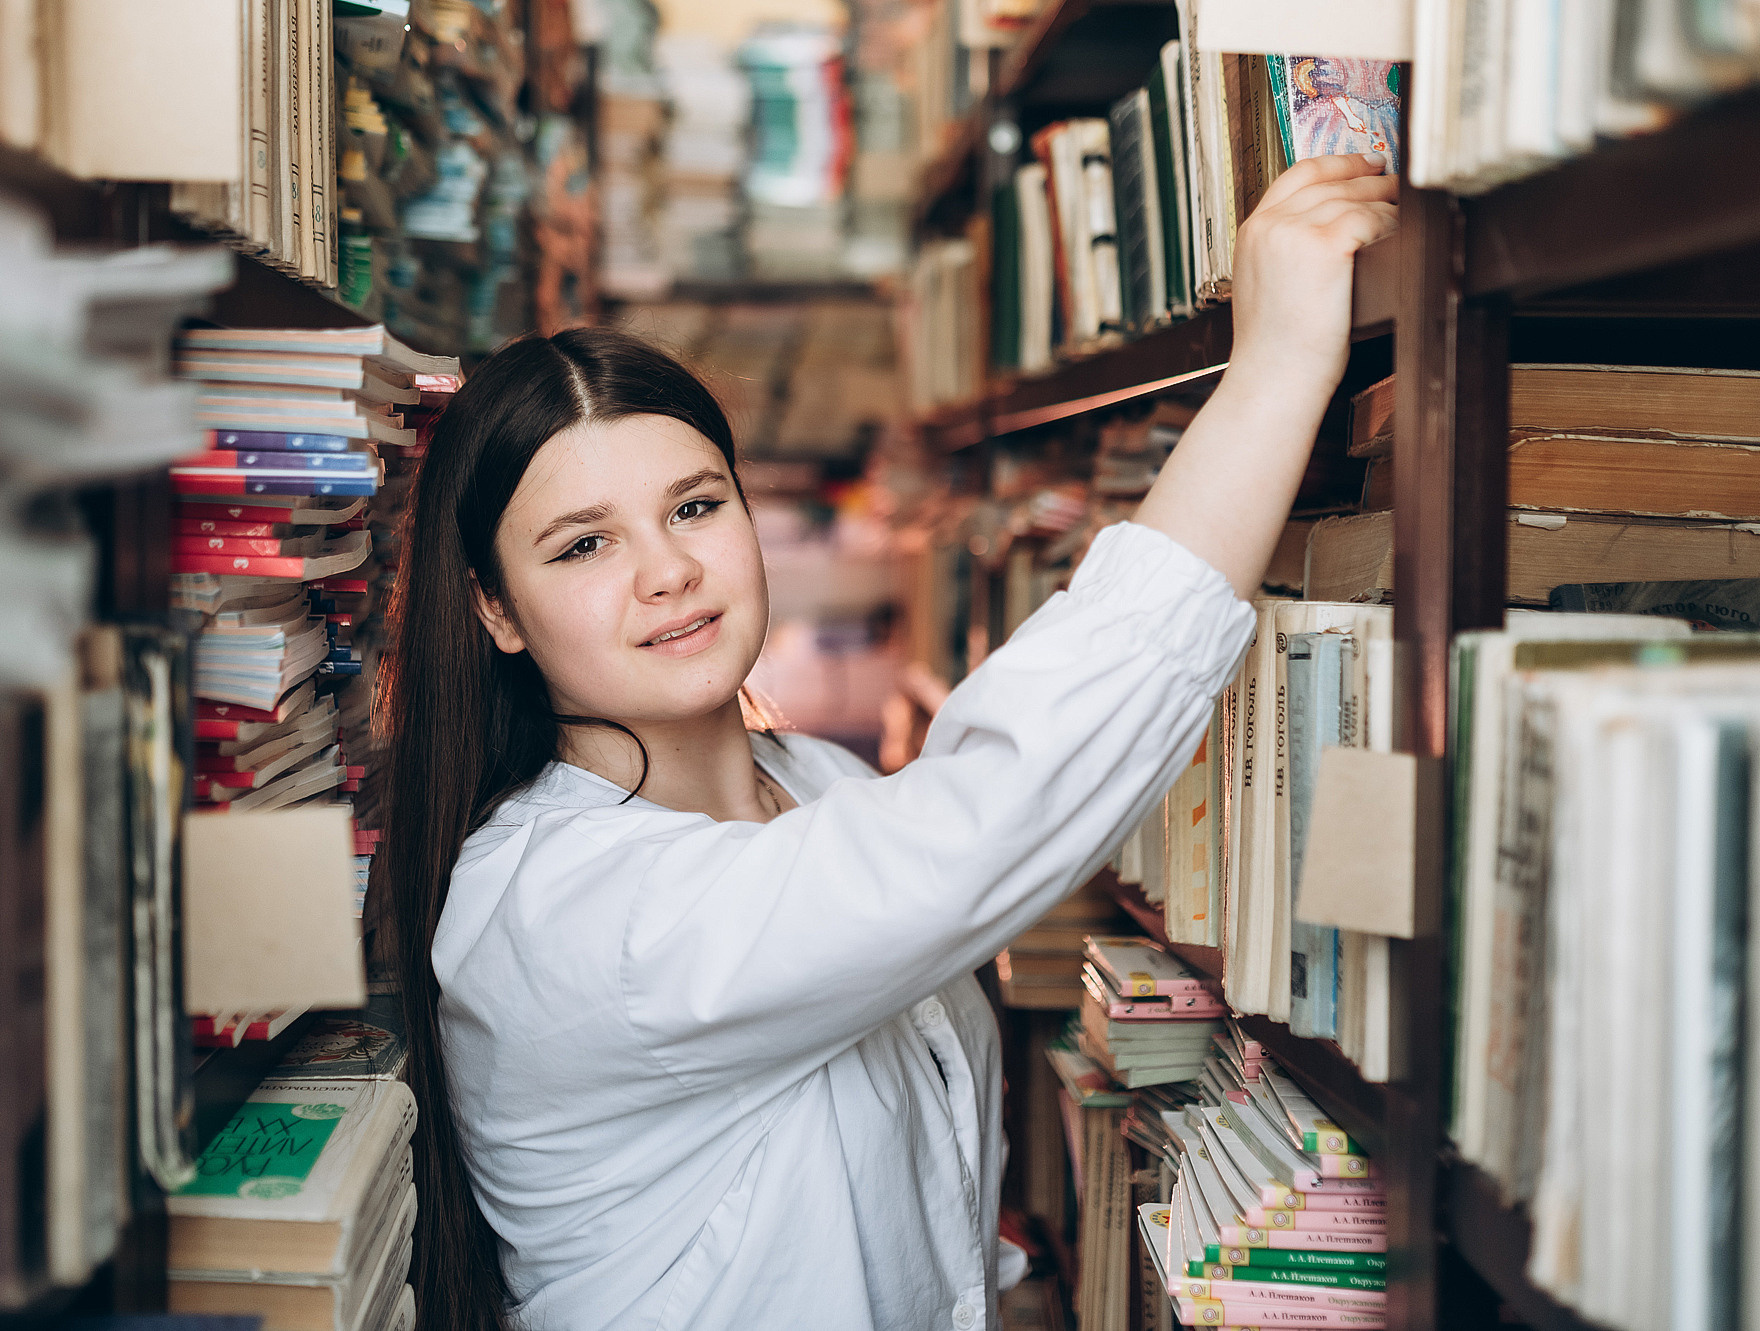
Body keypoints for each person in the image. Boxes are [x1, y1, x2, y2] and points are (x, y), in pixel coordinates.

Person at [372, 152, 1399, 1331]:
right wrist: (1276, 368)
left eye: (695, 506)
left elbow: (889, 1193)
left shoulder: (818, 780)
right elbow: (991, 814)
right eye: (581, 545)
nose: (667, 572)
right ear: (494, 609)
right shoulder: (556, 910)